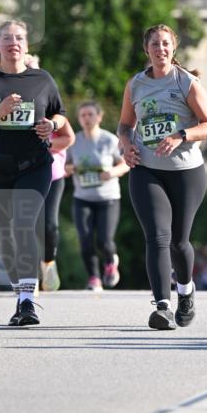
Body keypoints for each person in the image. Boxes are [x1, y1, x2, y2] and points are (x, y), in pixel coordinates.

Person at [0, 20, 66, 326]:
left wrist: (53, 125)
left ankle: (26, 302)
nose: (13, 43)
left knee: (24, 223)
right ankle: (19, 290)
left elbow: (59, 114)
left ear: (26, 44)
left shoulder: (42, 79)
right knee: (6, 236)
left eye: (19, 37)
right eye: (6, 38)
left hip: (34, 166)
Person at [117, 24, 207, 330]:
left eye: (165, 44)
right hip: (146, 170)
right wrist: (125, 144)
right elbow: (124, 125)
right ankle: (162, 306)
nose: (160, 49)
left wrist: (181, 135)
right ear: (146, 49)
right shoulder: (135, 85)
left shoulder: (186, 82)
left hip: (186, 172)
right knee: (157, 237)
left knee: (179, 242)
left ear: (174, 49)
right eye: (154, 44)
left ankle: (186, 292)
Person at [22, 54, 75, 292]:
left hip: (52, 173)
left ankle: (48, 262)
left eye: (34, 69)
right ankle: (29, 277)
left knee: (49, 225)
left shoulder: (47, 99)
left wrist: (45, 144)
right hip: (22, 171)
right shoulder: (13, 100)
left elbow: (69, 137)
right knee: (26, 224)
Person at [66, 101, 129, 291]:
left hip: (107, 198)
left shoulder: (109, 140)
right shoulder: (74, 141)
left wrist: (112, 172)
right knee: (85, 239)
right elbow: (63, 166)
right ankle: (94, 278)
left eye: (90, 114)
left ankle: (110, 262)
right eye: (83, 115)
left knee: (104, 240)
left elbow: (125, 163)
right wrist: (70, 168)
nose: (86, 118)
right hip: (82, 198)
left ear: (99, 117)